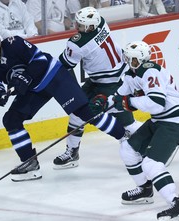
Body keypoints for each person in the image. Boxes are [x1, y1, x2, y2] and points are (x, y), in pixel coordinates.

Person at [0, 28, 130, 182]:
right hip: (35, 89)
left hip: (53, 75)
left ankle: (124, 136)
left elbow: (40, 60)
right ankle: (30, 163)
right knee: (11, 119)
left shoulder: (14, 43)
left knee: (84, 112)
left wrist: (25, 77)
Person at [113, 41, 179, 220]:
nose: (127, 61)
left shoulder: (150, 71)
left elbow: (157, 104)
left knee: (151, 164)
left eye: (131, 59)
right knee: (128, 150)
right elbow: (118, 96)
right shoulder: (131, 75)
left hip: (175, 119)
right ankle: (144, 189)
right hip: (160, 120)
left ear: (139, 60)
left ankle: (177, 205)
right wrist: (104, 103)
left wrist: (129, 103)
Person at [53, 7, 141, 169]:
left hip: (113, 83)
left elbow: (65, 64)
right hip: (103, 77)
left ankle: (157, 141)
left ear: (91, 27)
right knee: (77, 112)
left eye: (81, 25)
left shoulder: (79, 43)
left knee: (126, 123)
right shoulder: (101, 23)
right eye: (77, 23)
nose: (77, 27)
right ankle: (72, 152)